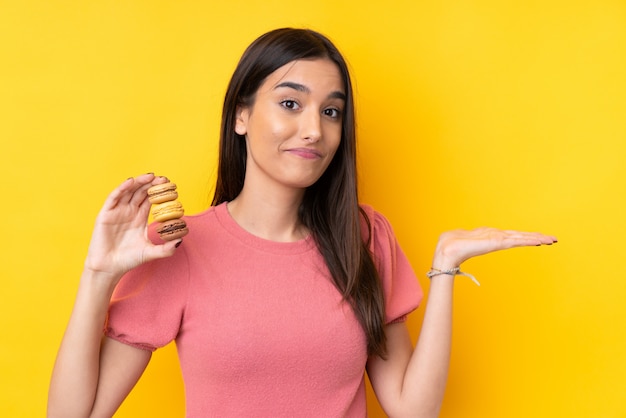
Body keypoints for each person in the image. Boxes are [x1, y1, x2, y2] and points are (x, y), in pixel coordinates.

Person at [48, 28, 557, 418]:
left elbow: (411, 408)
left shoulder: (365, 237)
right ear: (240, 116)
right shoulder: (178, 246)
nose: (314, 129)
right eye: (290, 104)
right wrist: (98, 276)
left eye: (332, 112)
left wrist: (444, 268)